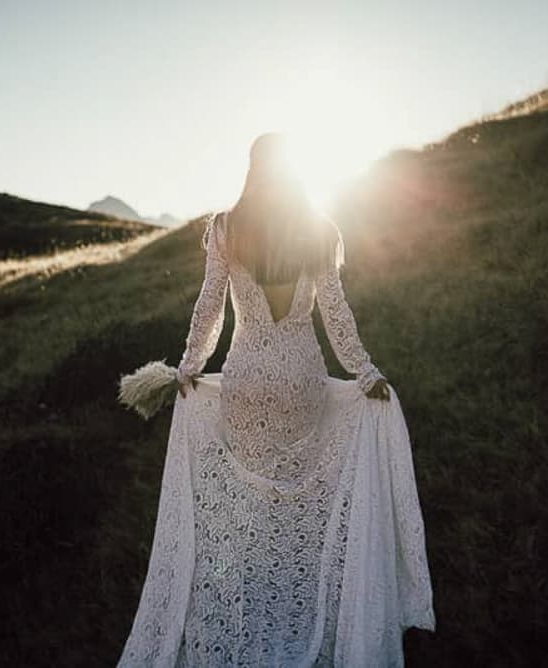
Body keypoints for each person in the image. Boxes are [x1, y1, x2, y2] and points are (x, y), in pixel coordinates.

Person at [117, 132, 434, 667]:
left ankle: (252, 605)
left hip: (244, 382)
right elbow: (336, 316)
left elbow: (209, 309)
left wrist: (188, 369)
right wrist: (365, 373)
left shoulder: (227, 228)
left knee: (252, 506)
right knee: (295, 494)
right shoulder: (319, 230)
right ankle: (302, 601)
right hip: (301, 383)